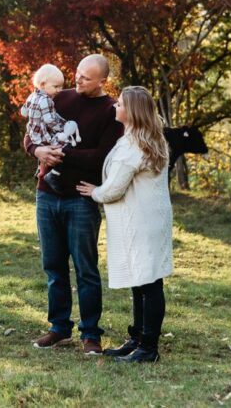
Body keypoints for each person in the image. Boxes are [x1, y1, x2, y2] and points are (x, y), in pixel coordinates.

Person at [25, 54, 123, 356]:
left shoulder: (112, 111)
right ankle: (59, 328)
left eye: (86, 77)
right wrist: (40, 150)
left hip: (81, 199)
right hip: (47, 194)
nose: (77, 80)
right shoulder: (57, 98)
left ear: (102, 81)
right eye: (77, 73)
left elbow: (102, 156)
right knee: (53, 266)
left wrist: (63, 154)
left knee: (85, 269)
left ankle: (91, 333)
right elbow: (30, 134)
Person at [76, 86, 172, 363]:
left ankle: (148, 348)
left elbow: (114, 189)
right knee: (142, 279)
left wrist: (94, 191)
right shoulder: (142, 139)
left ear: (132, 111)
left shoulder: (135, 146)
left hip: (141, 220)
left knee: (149, 282)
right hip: (147, 218)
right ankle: (138, 338)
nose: (114, 107)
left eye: (119, 104)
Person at [21, 64, 81, 191]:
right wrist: (63, 127)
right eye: (56, 86)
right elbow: (50, 120)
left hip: (33, 134)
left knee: (48, 149)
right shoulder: (46, 100)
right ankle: (53, 175)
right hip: (43, 135)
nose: (59, 90)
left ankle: (41, 169)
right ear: (43, 85)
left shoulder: (32, 96)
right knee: (66, 144)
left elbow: (23, 112)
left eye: (61, 86)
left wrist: (34, 116)